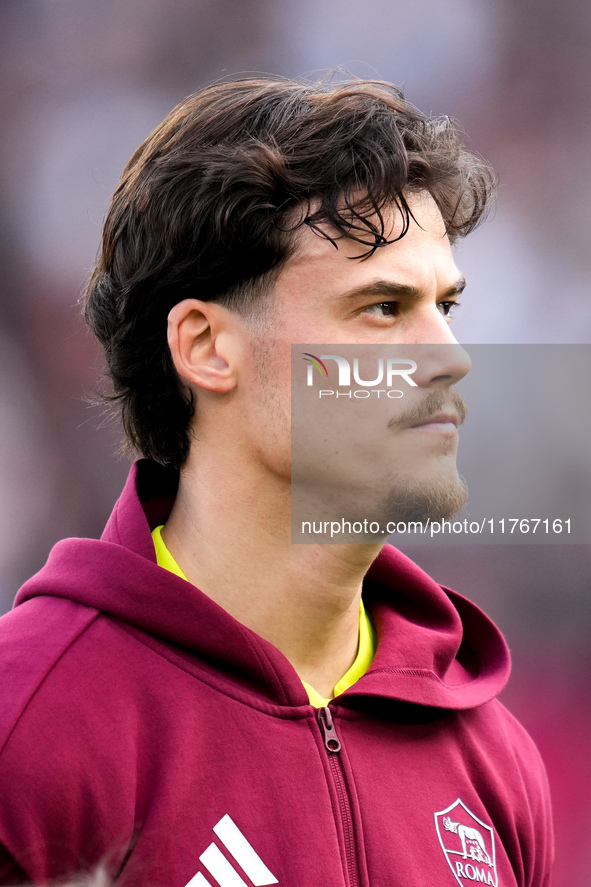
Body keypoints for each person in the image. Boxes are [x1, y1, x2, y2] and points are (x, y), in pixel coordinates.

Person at [0, 76, 553, 887]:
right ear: (206, 347)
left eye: (447, 306)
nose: (450, 356)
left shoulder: (493, 763)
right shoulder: (28, 724)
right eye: (381, 307)